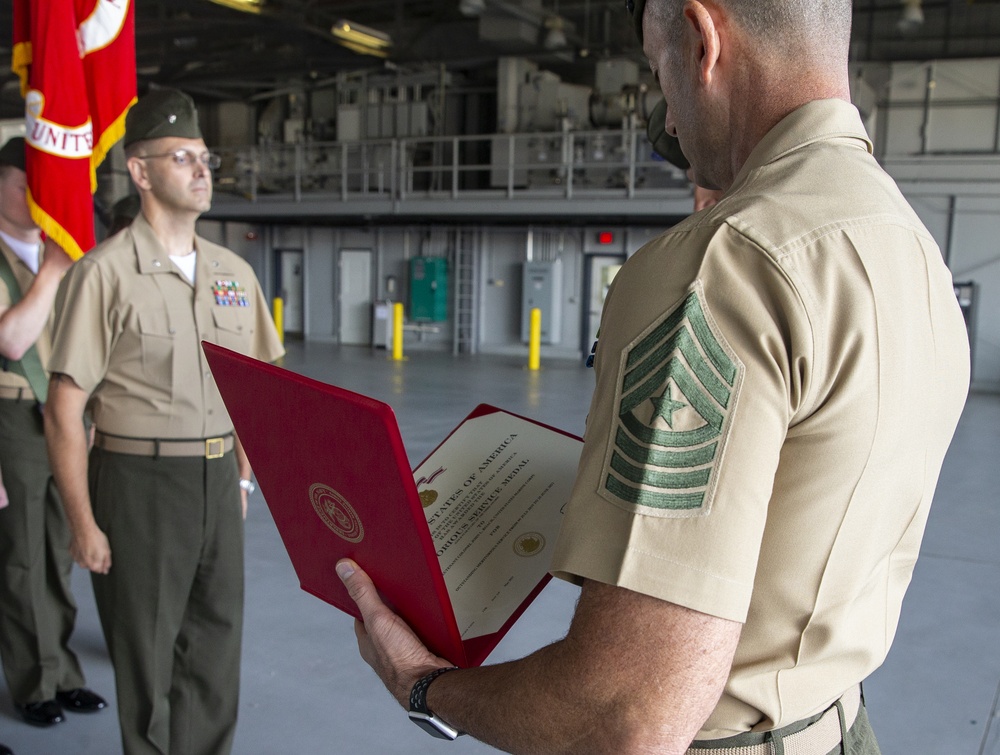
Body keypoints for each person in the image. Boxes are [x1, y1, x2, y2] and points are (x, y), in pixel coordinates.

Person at [334, 0, 971, 753]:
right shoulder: (908, 244)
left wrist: (423, 682)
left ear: (702, 42)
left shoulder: (724, 263)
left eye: (658, 72)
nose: (668, 118)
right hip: (839, 724)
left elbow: (622, 718)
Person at [44, 88, 284, 755]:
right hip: (137, 481)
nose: (202, 169)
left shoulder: (234, 274)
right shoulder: (104, 274)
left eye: (205, 157)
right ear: (141, 171)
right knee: (146, 656)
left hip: (215, 482)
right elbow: (64, 408)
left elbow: (259, 394)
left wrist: (240, 480)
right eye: (181, 157)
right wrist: (84, 522)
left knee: (215, 645)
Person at [0, 137, 107, 728]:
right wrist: (51, 273)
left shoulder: (57, 253)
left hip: (63, 417)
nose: (33, 198)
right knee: (20, 559)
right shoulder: (44, 262)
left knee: (61, 556)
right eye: (22, 183)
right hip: (11, 419)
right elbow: (12, 340)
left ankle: (63, 673)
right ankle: (31, 682)